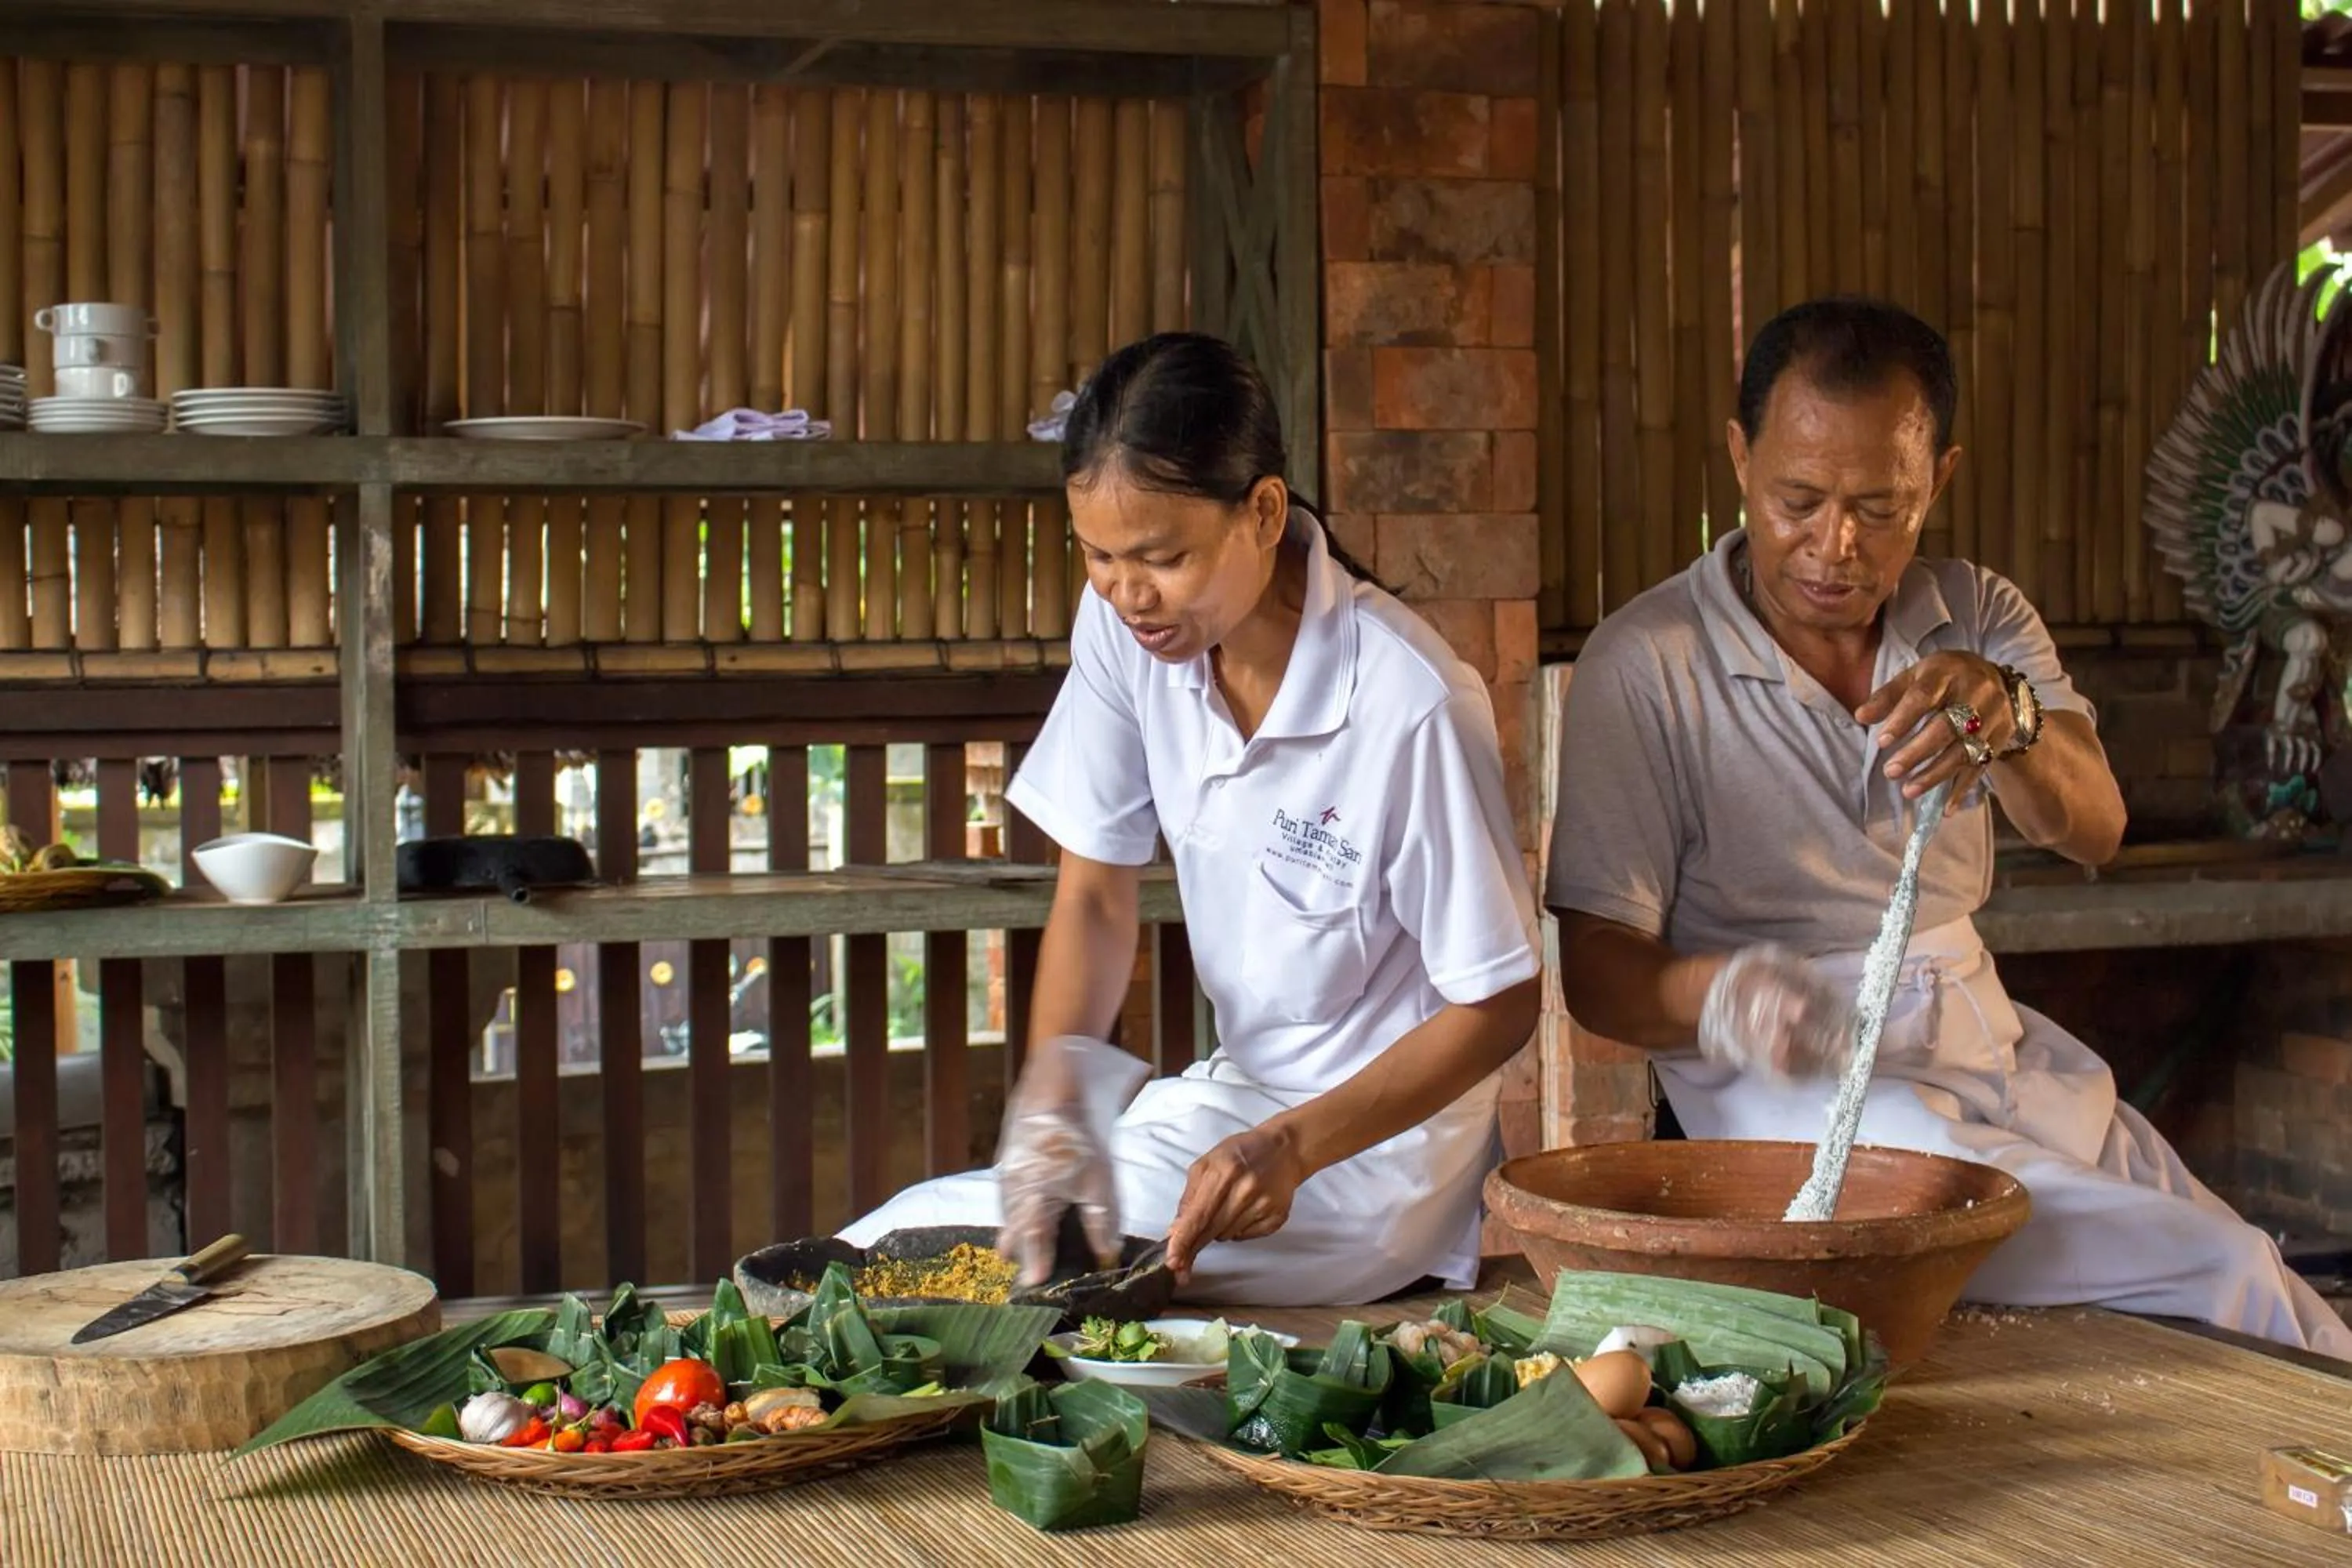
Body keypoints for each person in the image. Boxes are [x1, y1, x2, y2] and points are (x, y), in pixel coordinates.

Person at [1545, 296, 2352, 1358]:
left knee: (2244, 1245)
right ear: (1740, 458)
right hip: (1798, 1094)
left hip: (1989, 1046)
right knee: (2224, 1271)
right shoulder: (1648, 662)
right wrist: (1724, 996)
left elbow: (2096, 829)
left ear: (1941, 482)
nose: (1833, 546)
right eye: (1799, 500)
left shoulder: (1976, 614)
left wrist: (2010, 718)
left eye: (1880, 508)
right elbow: (1598, 974)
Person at [840, 332, 1542, 1305]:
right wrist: (1056, 1099)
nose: (1129, 593)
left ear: (1262, 511)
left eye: (1163, 557)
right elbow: (1092, 894)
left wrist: (1293, 1145)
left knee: (1001, 1275)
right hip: (1231, 1104)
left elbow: (1500, 1000)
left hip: (1368, 1159)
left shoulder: (1409, 700)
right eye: (1097, 555)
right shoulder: (1132, 635)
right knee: (885, 1241)